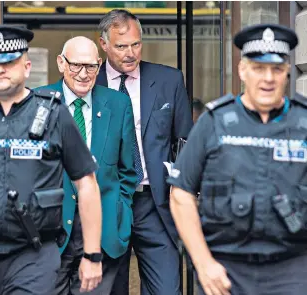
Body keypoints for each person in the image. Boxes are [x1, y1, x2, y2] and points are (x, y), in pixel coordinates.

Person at [0, 25, 102, 295]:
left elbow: (87, 183)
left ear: (27, 66)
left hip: (32, 257)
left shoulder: (54, 115)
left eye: (10, 62)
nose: (1, 69)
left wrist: (92, 255)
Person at [168, 23, 307, 295]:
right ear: (243, 70)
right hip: (226, 268)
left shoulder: (304, 123)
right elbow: (181, 193)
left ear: (287, 72)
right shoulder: (213, 122)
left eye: (277, 69)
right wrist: (203, 262)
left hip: (293, 269)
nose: (268, 78)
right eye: (258, 68)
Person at [96, 9, 193, 295]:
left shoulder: (169, 80)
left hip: (155, 203)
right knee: (108, 288)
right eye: (121, 46)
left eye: (136, 44)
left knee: (166, 289)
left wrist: (182, 194)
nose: (130, 53)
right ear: (104, 45)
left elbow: (184, 143)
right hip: (107, 204)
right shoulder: (88, 83)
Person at [36, 36, 137, 295]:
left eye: (90, 67)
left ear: (99, 65)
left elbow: (128, 170)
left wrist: (119, 211)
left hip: (103, 236)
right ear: (61, 63)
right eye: (75, 65)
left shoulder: (118, 104)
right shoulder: (39, 103)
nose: (83, 74)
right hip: (52, 234)